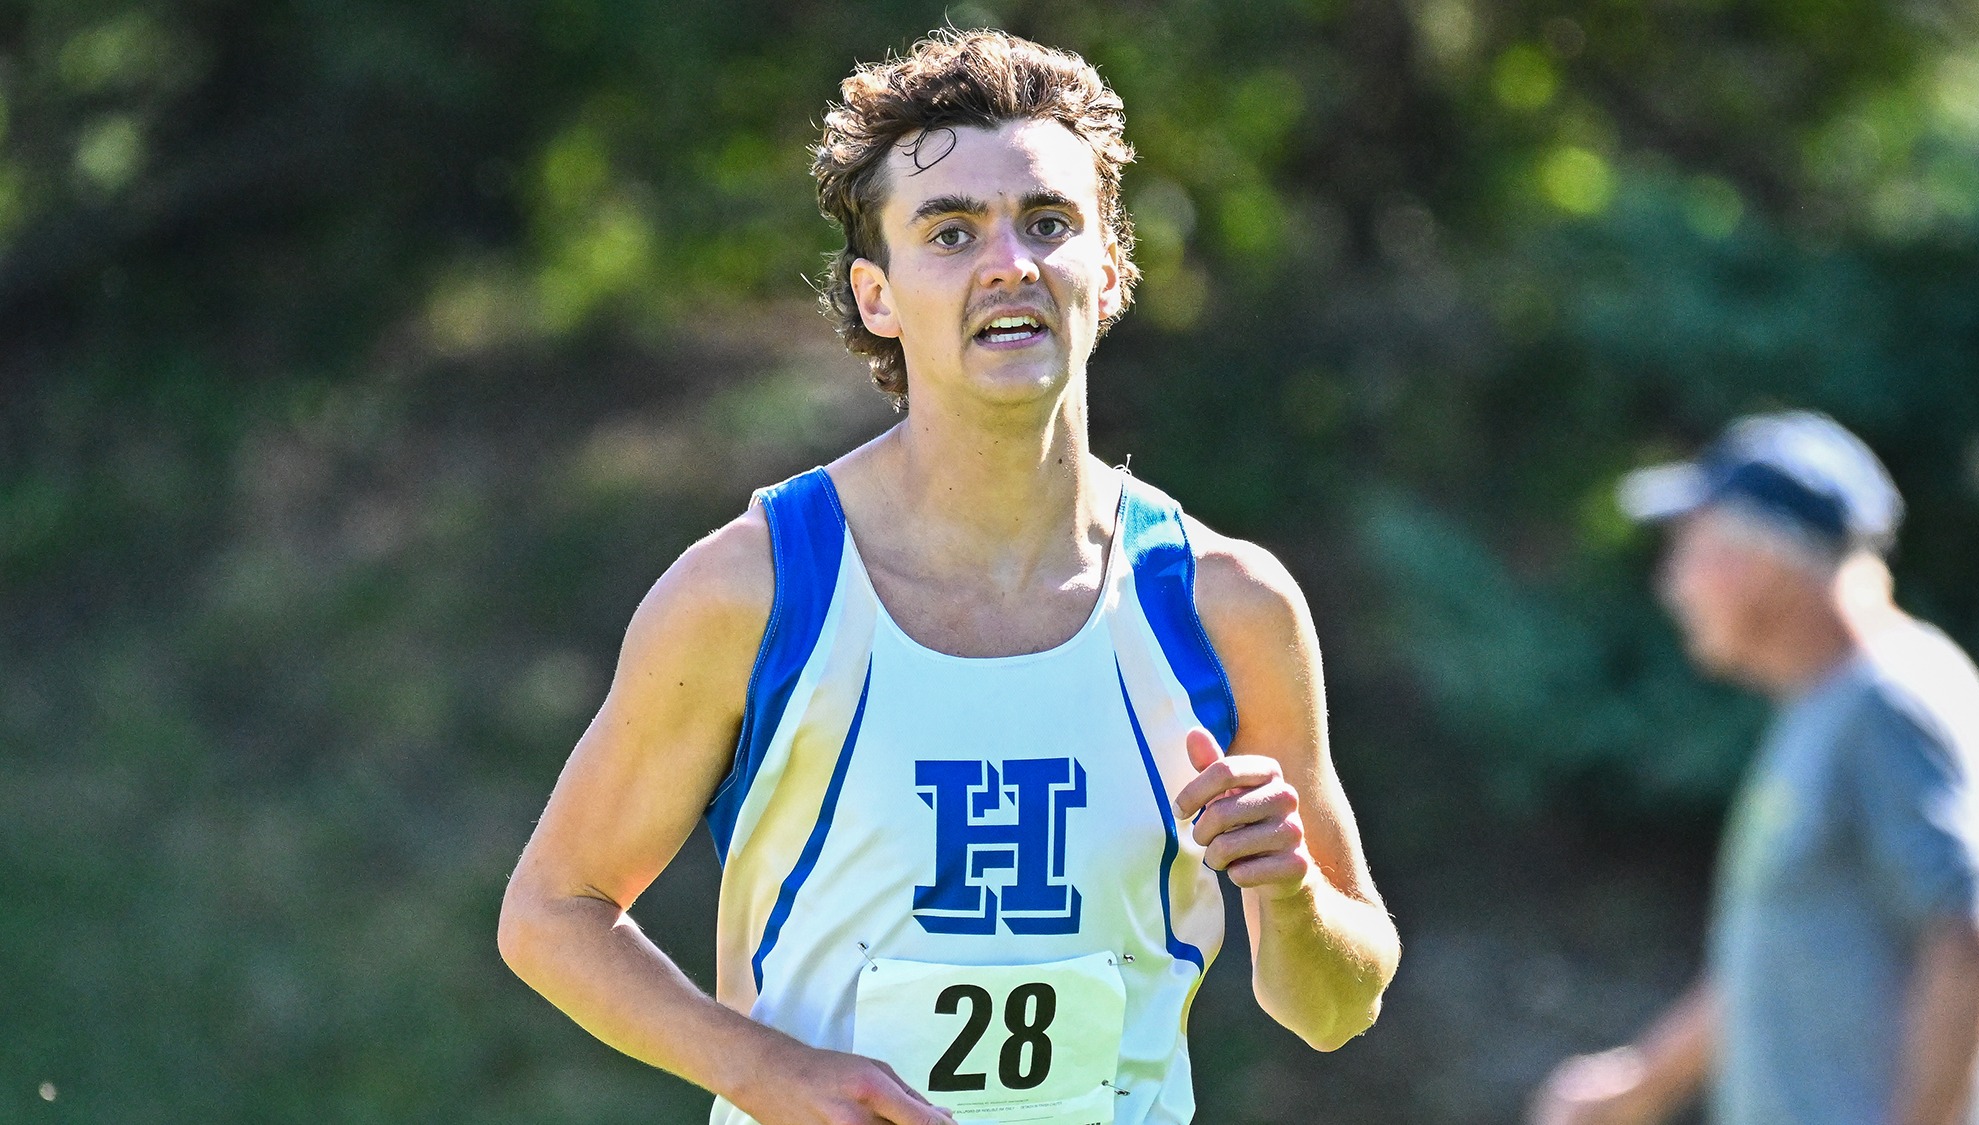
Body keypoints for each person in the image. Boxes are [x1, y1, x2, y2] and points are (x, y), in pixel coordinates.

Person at [497, 29, 1399, 1125]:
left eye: (1049, 222)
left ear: (1111, 269)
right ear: (876, 295)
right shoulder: (755, 589)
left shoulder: (1225, 604)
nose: (1009, 262)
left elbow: (1335, 1009)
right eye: (951, 232)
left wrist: (1292, 896)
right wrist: (761, 1070)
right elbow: (552, 910)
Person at [1530, 412, 1979, 1125]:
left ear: (1763, 563)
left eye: (1689, 549)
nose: (1671, 585)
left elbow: (1968, 935)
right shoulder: (1826, 706)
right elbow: (1778, 955)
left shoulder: (1886, 703)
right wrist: (1639, 1085)